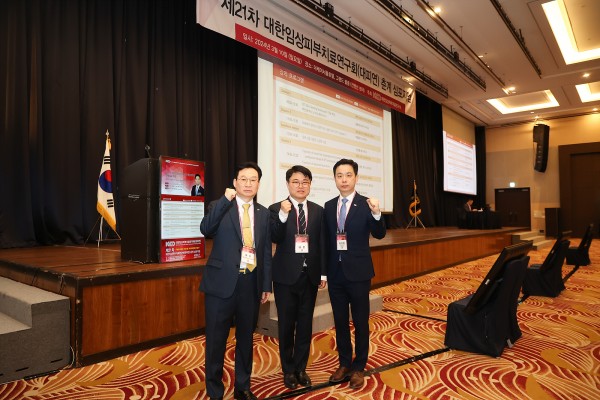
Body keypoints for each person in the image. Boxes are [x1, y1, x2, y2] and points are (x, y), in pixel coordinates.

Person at [199, 162, 272, 400]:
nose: (248, 184)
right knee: (216, 340)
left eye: (253, 180)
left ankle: (243, 386)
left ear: (258, 184)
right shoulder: (220, 206)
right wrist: (224, 199)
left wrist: (266, 285)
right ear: (235, 182)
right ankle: (215, 391)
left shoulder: (264, 213)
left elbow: (265, 253)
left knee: (245, 339)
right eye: (243, 179)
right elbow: (205, 228)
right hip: (221, 284)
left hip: (250, 284)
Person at [324, 158, 386, 389]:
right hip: (335, 274)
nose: (344, 180)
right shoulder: (329, 206)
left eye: (348, 175)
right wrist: (323, 273)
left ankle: (359, 366)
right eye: (339, 175)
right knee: (340, 321)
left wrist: (377, 213)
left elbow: (379, 233)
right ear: (334, 179)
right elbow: (326, 242)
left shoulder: (366, 204)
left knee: (360, 322)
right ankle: (344, 363)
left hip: (359, 274)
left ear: (356, 178)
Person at [268, 165, 327, 390]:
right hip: (285, 277)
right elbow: (275, 236)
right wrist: (283, 215)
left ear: (310, 185)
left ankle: (301, 368)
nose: (300, 186)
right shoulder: (276, 208)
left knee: (305, 324)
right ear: (287, 184)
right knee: (286, 325)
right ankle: (288, 370)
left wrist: (323, 272)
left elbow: (321, 244)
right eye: (295, 181)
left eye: (305, 182)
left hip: (309, 276)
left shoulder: (318, 210)